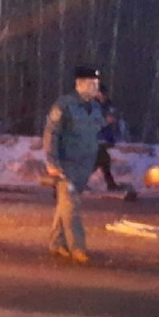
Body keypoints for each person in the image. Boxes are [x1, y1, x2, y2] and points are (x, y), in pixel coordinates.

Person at [42, 65, 107, 264]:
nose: (95, 87)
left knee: (65, 206)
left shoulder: (95, 107)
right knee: (71, 207)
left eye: (97, 84)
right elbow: (51, 134)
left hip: (84, 166)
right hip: (65, 166)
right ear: (79, 84)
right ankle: (78, 247)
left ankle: (56, 242)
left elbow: (97, 133)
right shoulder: (64, 105)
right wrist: (52, 162)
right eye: (91, 84)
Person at [94, 89, 121, 191]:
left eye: (102, 93)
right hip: (95, 138)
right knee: (101, 161)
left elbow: (114, 117)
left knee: (103, 161)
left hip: (104, 139)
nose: (101, 95)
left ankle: (111, 184)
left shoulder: (108, 105)